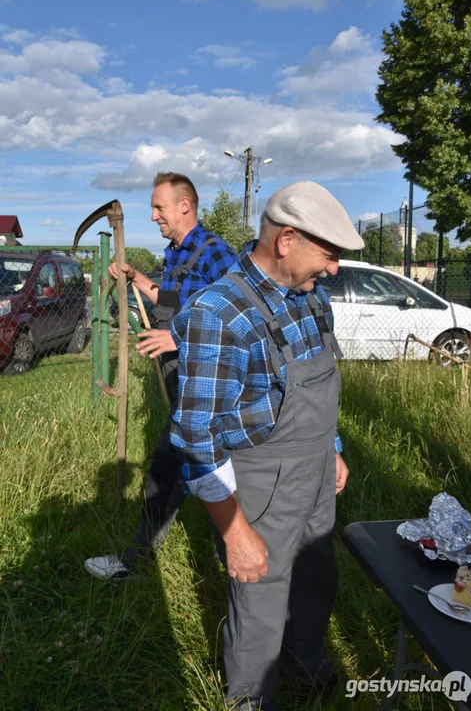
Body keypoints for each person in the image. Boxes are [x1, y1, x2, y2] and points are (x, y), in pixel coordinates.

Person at [170, 181, 364, 710]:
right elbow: (195, 437)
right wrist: (235, 532)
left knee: (317, 571)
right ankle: (250, 699)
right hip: (262, 481)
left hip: (318, 467)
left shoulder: (311, 296)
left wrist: (334, 446)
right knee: (260, 598)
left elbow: (320, 386)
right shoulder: (220, 314)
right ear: (286, 240)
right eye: (328, 255)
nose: (334, 269)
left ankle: (305, 659)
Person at [84, 172, 238, 581]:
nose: (153, 216)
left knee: (197, 476)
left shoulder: (215, 253)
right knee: (172, 473)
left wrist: (178, 338)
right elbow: (173, 301)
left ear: (184, 205)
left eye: (159, 207)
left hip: (210, 394)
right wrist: (137, 278)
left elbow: (240, 320)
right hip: (182, 388)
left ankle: (243, 571)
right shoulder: (176, 254)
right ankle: (146, 561)